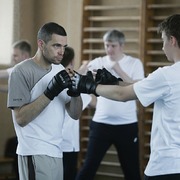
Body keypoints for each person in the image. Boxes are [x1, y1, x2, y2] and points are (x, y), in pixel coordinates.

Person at [73, 14, 180, 180]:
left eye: (163, 41)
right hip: (102, 124)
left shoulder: (166, 75)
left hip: (167, 165)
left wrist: (91, 86)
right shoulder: (168, 77)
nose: (162, 47)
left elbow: (123, 95)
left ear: (172, 41)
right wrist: (115, 81)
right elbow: (137, 88)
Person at [7, 22, 82, 180]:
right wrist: (50, 91)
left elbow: (75, 114)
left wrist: (76, 92)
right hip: (34, 151)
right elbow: (20, 118)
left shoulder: (60, 69)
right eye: (56, 46)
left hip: (56, 151)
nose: (62, 52)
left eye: (64, 46)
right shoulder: (21, 71)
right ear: (41, 44)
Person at [75, 30, 144, 180]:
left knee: (132, 172)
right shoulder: (99, 62)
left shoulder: (134, 63)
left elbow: (139, 89)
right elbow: (78, 78)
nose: (109, 49)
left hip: (127, 125)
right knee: (87, 169)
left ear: (122, 46)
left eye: (113, 45)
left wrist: (118, 70)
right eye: (107, 45)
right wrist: (83, 68)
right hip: (101, 124)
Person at [61, 46, 92, 180]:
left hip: (49, 144)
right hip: (67, 144)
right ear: (72, 62)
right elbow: (94, 102)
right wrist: (84, 77)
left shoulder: (48, 80)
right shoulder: (74, 86)